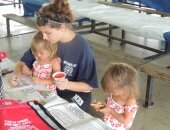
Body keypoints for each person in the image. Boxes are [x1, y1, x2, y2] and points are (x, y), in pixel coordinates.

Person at [15, 0, 98, 111]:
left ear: (62, 28)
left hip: (72, 93)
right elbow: (23, 61)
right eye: (42, 32)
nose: (44, 37)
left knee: (58, 113)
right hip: (47, 88)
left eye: (47, 33)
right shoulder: (46, 40)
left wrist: (66, 84)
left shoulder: (82, 49)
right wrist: (17, 74)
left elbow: (88, 85)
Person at [94, 63, 139, 130]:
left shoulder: (129, 101)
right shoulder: (116, 93)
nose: (111, 93)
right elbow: (109, 102)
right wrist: (101, 105)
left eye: (112, 91)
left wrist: (110, 111)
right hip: (108, 123)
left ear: (125, 88)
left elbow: (126, 121)